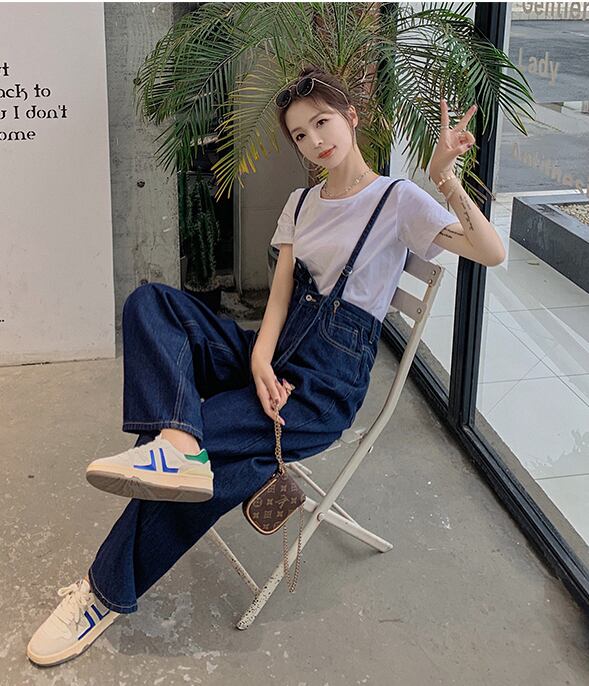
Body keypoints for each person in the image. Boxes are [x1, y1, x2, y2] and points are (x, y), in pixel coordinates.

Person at [27, 65, 505, 667]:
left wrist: (444, 178)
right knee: (152, 304)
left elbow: (491, 252)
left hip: (321, 390)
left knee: (218, 457)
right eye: (300, 135)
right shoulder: (301, 202)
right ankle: (177, 443)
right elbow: (278, 300)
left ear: (351, 117)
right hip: (274, 353)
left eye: (322, 123)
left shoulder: (397, 200)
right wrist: (257, 360)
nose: (315, 141)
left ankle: (102, 591)